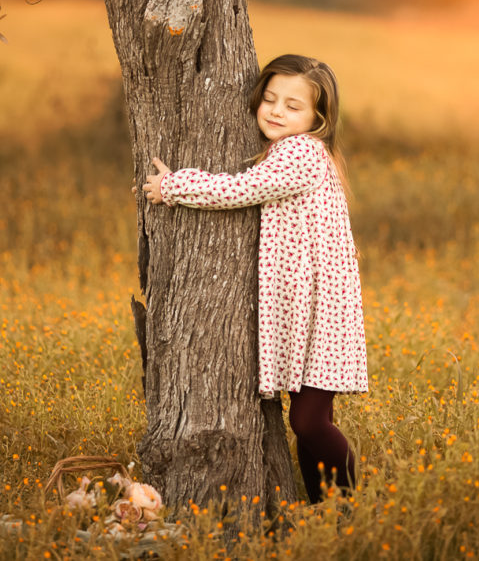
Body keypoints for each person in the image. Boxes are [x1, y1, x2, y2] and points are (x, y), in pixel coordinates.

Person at [141, 54, 368, 504]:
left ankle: (350, 507)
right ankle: (326, 511)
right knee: (308, 420)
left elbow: (242, 189)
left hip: (321, 310)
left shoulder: (302, 152)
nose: (276, 111)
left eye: (293, 106)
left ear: (318, 120)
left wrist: (175, 187)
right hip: (311, 305)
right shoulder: (287, 151)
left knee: (308, 421)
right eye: (270, 99)